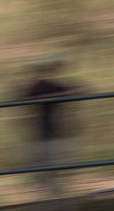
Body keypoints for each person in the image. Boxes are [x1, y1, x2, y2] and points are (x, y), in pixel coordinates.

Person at [17, 55, 82, 200]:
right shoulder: (44, 85)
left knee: (46, 162)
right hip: (47, 131)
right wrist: (68, 91)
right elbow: (73, 90)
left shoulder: (38, 85)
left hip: (43, 131)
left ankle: (48, 191)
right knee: (50, 162)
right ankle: (52, 192)